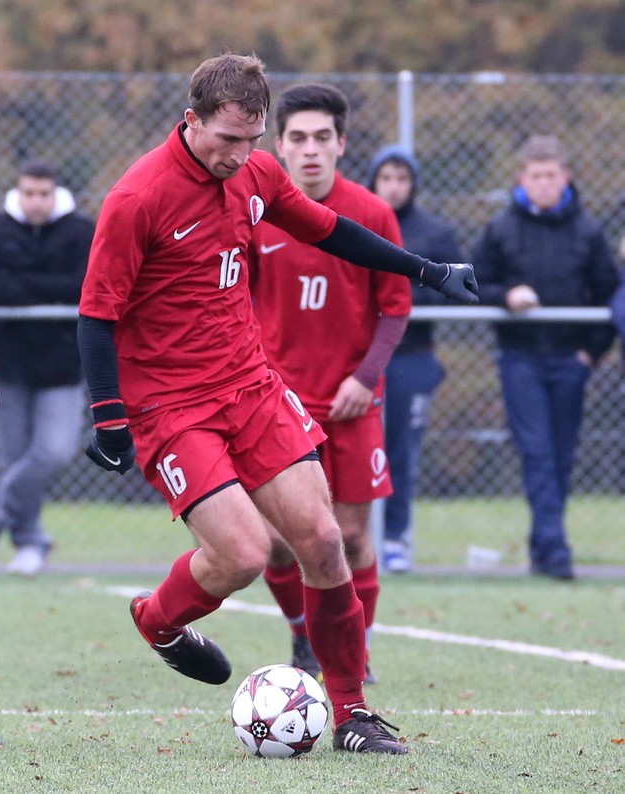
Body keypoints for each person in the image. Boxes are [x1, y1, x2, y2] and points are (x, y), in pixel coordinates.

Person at [78, 53, 477, 755]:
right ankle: (157, 620)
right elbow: (95, 315)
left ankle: (352, 713)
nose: (241, 156)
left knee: (325, 542)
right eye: (227, 139)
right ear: (191, 119)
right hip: (173, 406)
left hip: (252, 386)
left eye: (252, 140)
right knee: (244, 555)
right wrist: (108, 417)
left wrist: (428, 270)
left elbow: (329, 230)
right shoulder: (138, 198)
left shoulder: (257, 173)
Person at [247, 84, 412, 686]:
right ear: (280, 146)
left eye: (323, 138)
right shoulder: (257, 213)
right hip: (278, 404)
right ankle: (302, 636)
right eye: (298, 139)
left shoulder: (371, 214)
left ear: (341, 144)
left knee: (349, 537)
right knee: (275, 544)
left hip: (351, 402)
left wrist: (365, 378)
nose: (311, 150)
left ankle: (354, 652)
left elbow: (395, 307)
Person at [472, 134, 618, 581]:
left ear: (565, 177)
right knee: (536, 453)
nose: (543, 183)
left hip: (569, 360)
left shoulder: (588, 231)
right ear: (522, 178)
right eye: (535, 175)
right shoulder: (500, 229)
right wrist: (506, 296)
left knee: (560, 456)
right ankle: (556, 554)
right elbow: (473, 280)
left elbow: (611, 294)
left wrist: (590, 354)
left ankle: (543, 545)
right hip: (520, 358)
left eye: (551, 175)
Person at [0, 159, 94, 576]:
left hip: (61, 359)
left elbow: (85, 282)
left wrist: (24, 285)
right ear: (19, 193)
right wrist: (48, 291)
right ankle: (30, 543)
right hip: (6, 359)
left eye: (43, 193)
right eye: (28, 193)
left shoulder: (79, 230)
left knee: (54, 450)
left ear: (54, 193)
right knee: (14, 456)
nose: (35, 202)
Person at [368, 145, 462, 575]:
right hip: (363, 357)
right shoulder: (357, 222)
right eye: (386, 177)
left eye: (402, 178)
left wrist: (403, 291)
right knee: (353, 450)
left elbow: (455, 285)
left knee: (400, 451)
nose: (394, 186)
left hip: (412, 356)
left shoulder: (435, 232)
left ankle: (394, 537)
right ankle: (350, 537)